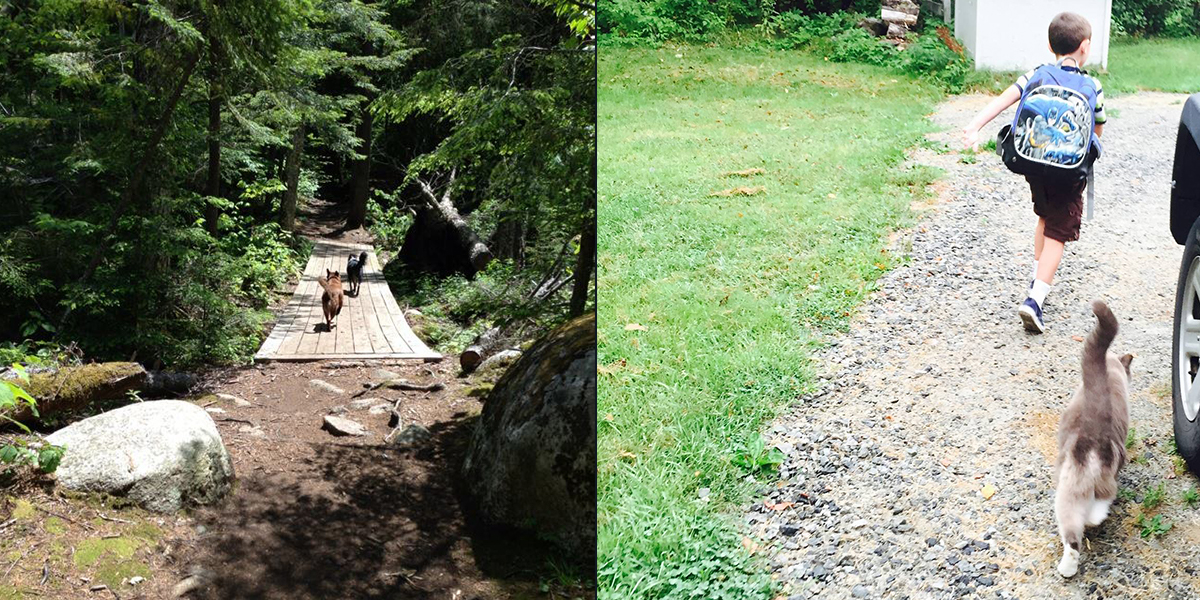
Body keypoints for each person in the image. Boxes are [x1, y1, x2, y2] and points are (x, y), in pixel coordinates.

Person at [961, 12, 1106, 333]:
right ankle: (1035, 299)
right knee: (1058, 229)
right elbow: (1096, 130)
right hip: (1068, 171)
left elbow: (1004, 100)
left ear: (1051, 45)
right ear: (1085, 47)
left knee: (1044, 215)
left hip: (1033, 163)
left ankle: (1038, 278)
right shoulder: (1092, 85)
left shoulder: (1036, 74)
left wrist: (974, 126)